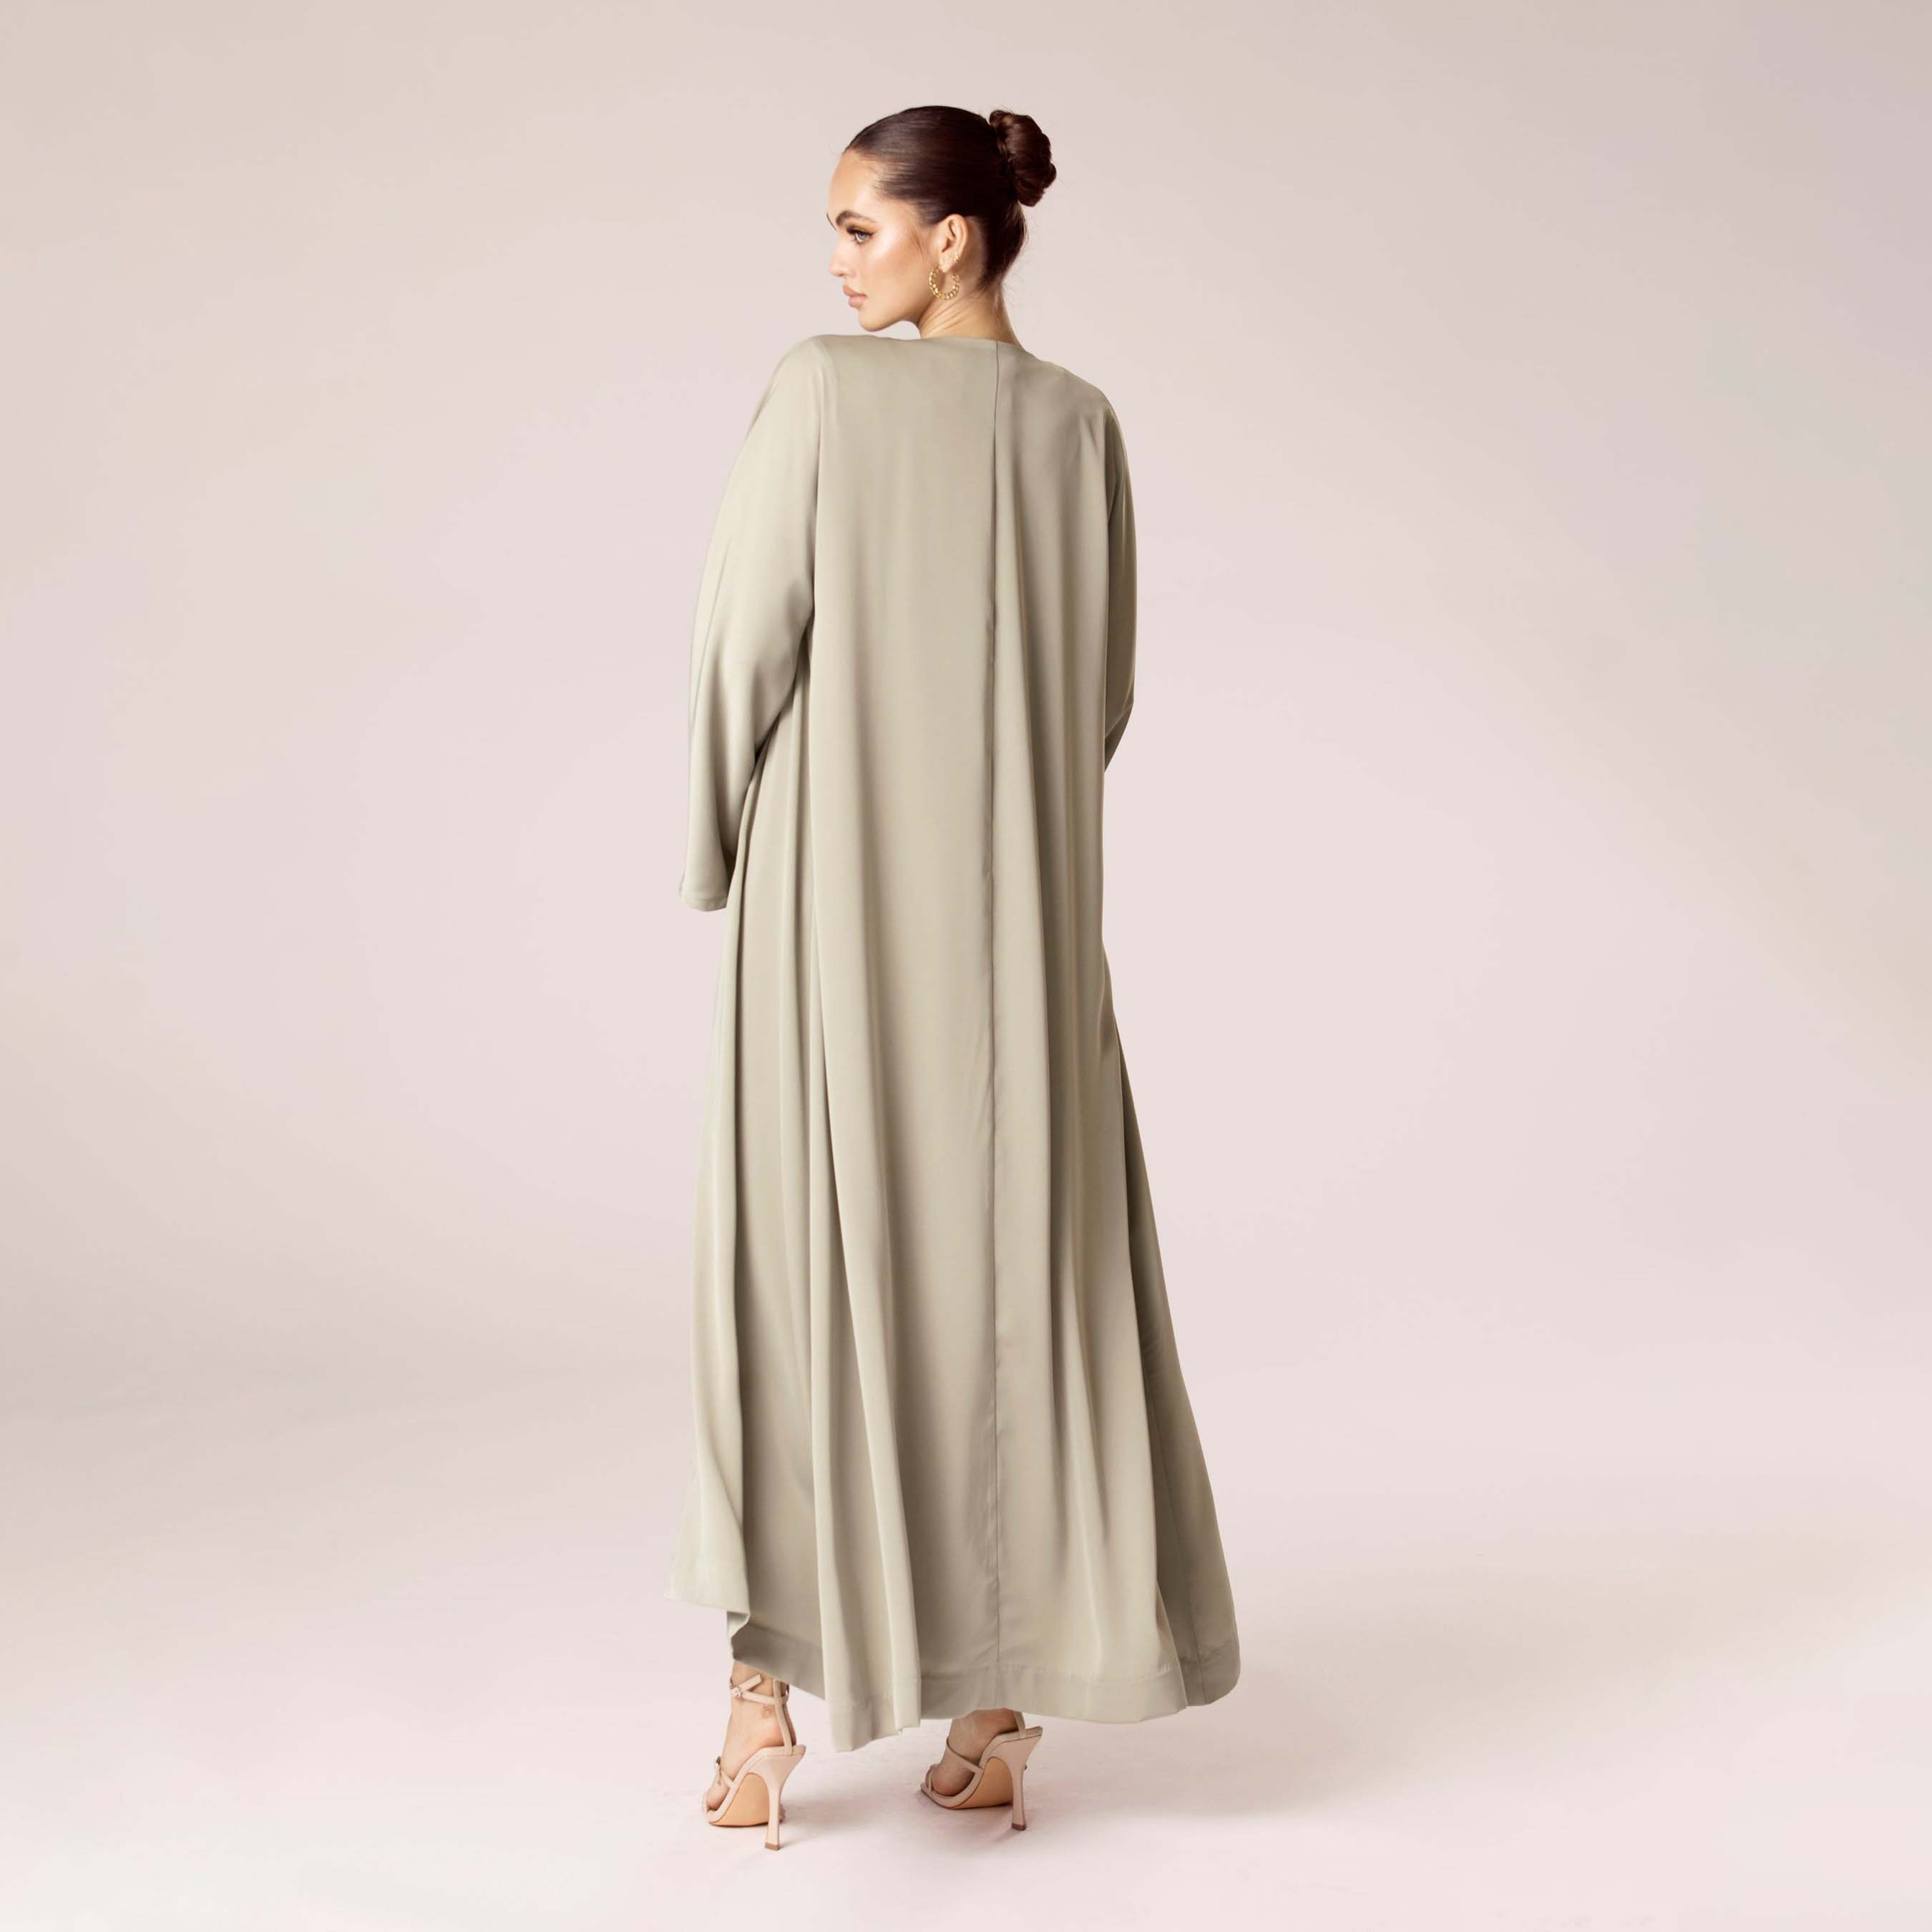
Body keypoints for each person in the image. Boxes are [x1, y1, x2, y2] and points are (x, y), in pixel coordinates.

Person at [666, 103, 1241, 1846]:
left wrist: (716, 846)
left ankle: (764, 1710)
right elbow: (1102, 693)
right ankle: (993, 1708)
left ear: (953, 239)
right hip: (1022, 921)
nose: (838, 262)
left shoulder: (822, 397)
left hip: (834, 903)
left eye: (860, 228)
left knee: (806, 1264)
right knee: (1013, 1276)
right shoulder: (1082, 427)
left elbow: (741, 645)